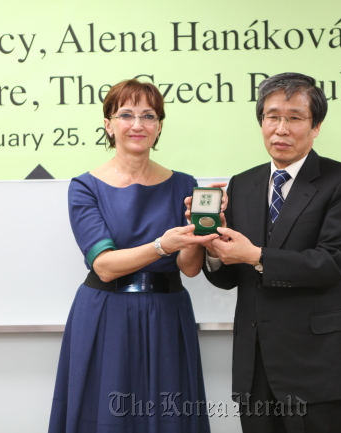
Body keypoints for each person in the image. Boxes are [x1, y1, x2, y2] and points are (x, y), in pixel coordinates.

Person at [48, 79, 219, 433]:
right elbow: (105, 267)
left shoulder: (186, 185)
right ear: (108, 125)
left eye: (148, 116)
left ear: (159, 127)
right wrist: (162, 245)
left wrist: (200, 232)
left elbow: (188, 269)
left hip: (168, 314)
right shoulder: (85, 187)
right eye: (126, 115)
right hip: (105, 315)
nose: (137, 125)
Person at [203, 72, 341, 433]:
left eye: (294, 117)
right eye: (272, 116)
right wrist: (213, 250)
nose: (281, 128)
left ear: (316, 126)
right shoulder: (242, 183)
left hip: (315, 365)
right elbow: (229, 277)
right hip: (255, 365)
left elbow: (334, 262)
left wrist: (254, 255)